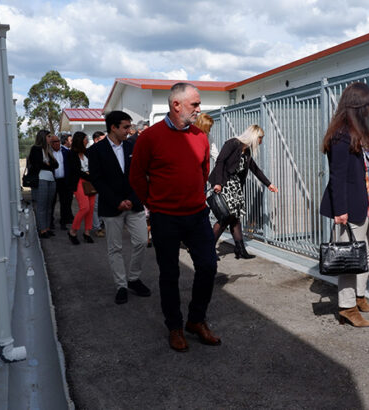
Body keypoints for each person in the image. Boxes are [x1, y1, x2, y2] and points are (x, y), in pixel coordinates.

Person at [129, 83, 221, 352]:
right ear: (176, 105)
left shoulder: (200, 136)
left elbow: (203, 171)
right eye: (195, 104)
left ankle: (196, 320)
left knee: (208, 267)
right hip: (165, 218)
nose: (199, 109)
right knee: (169, 274)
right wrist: (153, 204)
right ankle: (175, 327)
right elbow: (136, 176)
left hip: (197, 215)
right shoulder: (150, 137)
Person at [319, 82, 369, 328]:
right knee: (349, 257)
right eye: (368, 104)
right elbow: (337, 176)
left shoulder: (357, 130)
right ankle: (347, 307)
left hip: (366, 202)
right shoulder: (341, 134)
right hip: (350, 205)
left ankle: (358, 296)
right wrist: (340, 211)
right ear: (357, 106)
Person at [88, 111, 151, 305]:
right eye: (125, 127)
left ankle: (134, 278)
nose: (129, 131)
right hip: (111, 206)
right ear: (113, 127)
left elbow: (141, 174)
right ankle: (121, 285)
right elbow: (97, 180)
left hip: (134, 203)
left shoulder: (133, 146)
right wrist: (117, 201)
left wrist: (132, 199)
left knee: (142, 241)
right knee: (115, 248)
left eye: (129, 127)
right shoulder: (96, 150)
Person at [209, 124, 278, 259]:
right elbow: (220, 162)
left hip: (235, 186)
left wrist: (269, 184)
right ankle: (208, 249)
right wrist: (218, 183)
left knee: (235, 217)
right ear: (254, 137)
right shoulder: (232, 143)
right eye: (260, 138)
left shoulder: (247, 151)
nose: (261, 141)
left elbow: (255, 169)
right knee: (226, 217)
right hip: (224, 183)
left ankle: (240, 250)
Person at [26, 130, 58, 238]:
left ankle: (47, 228)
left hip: (51, 179)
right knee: (41, 205)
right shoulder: (36, 149)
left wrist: (47, 164)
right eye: (49, 136)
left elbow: (56, 165)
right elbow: (37, 164)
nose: (50, 138)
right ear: (43, 137)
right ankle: (42, 229)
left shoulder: (49, 150)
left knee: (49, 206)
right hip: (40, 179)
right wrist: (48, 164)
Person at [65, 131, 95, 244]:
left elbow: (93, 166)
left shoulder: (87, 152)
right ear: (80, 140)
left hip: (90, 182)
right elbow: (75, 171)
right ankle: (73, 231)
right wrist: (89, 175)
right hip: (78, 181)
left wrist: (91, 175)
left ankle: (87, 232)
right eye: (86, 139)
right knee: (85, 207)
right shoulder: (71, 154)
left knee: (91, 208)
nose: (87, 141)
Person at [50, 134, 73, 230]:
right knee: (51, 202)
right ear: (50, 143)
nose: (57, 143)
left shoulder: (66, 152)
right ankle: (50, 222)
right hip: (53, 181)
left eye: (58, 141)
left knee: (65, 202)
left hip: (64, 181)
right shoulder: (48, 153)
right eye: (54, 142)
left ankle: (63, 221)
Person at [90, 131, 107, 237]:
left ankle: (100, 223)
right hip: (95, 183)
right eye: (103, 139)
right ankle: (97, 227)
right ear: (96, 140)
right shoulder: (91, 151)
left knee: (102, 204)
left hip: (105, 183)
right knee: (95, 206)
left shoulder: (105, 150)